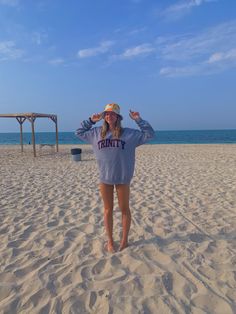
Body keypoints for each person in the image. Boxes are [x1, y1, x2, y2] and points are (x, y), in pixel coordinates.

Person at [75, 103, 155, 252]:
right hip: (104, 179)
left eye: (112, 114)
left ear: (118, 117)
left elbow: (150, 134)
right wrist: (91, 121)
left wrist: (139, 119)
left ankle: (124, 240)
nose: (109, 116)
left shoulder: (129, 134)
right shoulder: (96, 133)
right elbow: (78, 132)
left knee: (124, 209)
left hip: (123, 179)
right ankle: (110, 241)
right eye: (106, 114)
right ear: (104, 117)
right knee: (107, 210)